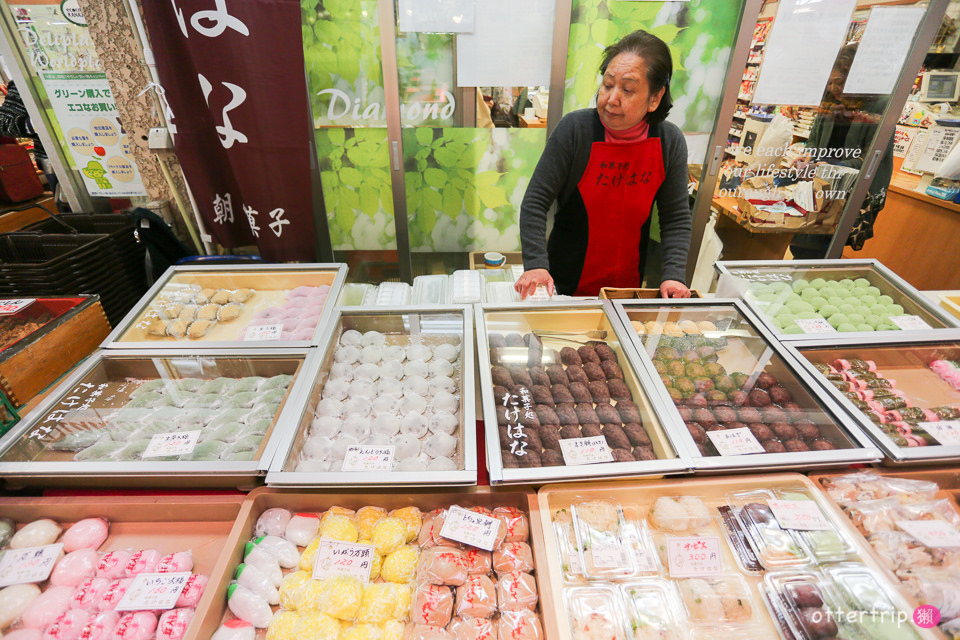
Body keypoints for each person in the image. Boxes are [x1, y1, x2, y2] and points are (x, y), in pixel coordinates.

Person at [514, 30, 692, 299]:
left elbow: (676, 218)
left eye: (628, 90)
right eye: (608, 85)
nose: (611, 99)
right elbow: (535, 202)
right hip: (563, 287)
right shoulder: (575, 130)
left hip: (626, 289)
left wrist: (674, 276)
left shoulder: (669, 142)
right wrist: (537, 264)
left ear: (655, 98)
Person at [789, 44, 893, 258]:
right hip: (821, 185)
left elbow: (872, 157)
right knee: (801, 244)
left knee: (823, 248)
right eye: (829, 83)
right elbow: (814, 141)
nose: (833, 88)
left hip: (850, 190)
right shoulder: (830, 101)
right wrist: (807, 156)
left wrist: (835, 167)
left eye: (839, 82)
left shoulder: (880, 105)